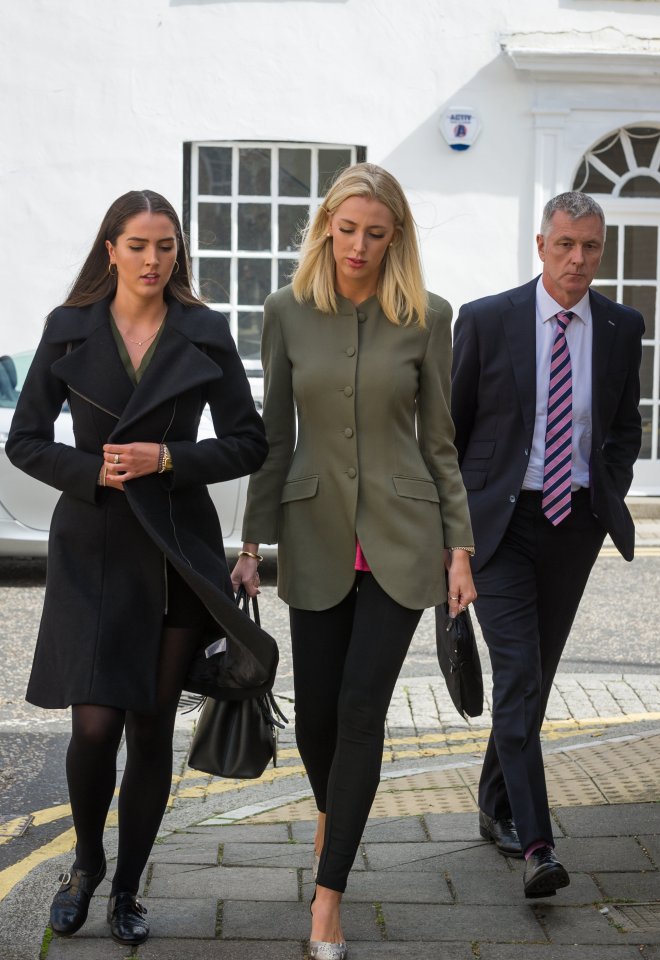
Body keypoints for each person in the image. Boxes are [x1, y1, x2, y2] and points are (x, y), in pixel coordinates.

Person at [6, 190, 268, 944]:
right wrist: (92, 471)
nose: (153, 260)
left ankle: (126, 890)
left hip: (175, 549)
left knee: (150, 730)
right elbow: (25, 441)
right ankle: (86, 861)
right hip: (91, 544)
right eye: (138, 245)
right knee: (93, 726)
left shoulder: (205, 331)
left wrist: (171, 458)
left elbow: (248, 443)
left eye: (166, 246)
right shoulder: (69, 328)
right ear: (111, 248)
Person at [231, 162, 475, 960]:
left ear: (394, 235)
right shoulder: (285, 312)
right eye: (347, 230)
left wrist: (461, 548)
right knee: (317, 719)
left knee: (363, 712)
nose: (360, 246)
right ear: (325, 228)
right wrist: (250, 542)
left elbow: (439, 443)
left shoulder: (427, 317)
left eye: (376, 232)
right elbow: (275, 438)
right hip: (314, 531)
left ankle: (327, 900)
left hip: (403, 538)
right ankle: (337, 819)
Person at [451, 191, 644, 898]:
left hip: (574, 525)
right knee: (521, 677)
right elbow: (450, 435)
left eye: (591, 247)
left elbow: (624, 426)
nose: (578, 259)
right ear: (541, 245)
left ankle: (493, 803)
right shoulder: (487, 319)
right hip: (500, 525)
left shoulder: (624, 326)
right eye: (565, 245)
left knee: (534, 678)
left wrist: (605, 491)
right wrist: (455, 545)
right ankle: (537, 843)